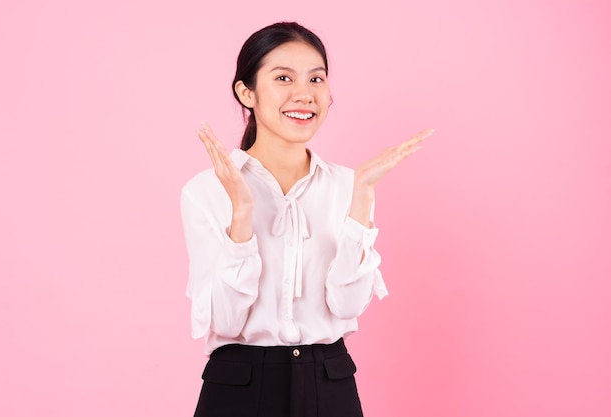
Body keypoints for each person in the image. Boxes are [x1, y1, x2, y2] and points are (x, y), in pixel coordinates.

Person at [181, 21, 434, 417]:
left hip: (328, 384)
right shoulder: (205, 191)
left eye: (316, 79)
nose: (304, 94)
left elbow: (347, 304)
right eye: (283, 77)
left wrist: (361, 198)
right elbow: (227, 323)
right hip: (237, 386)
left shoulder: (349, 186)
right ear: (246, 92)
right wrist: (242, 215)